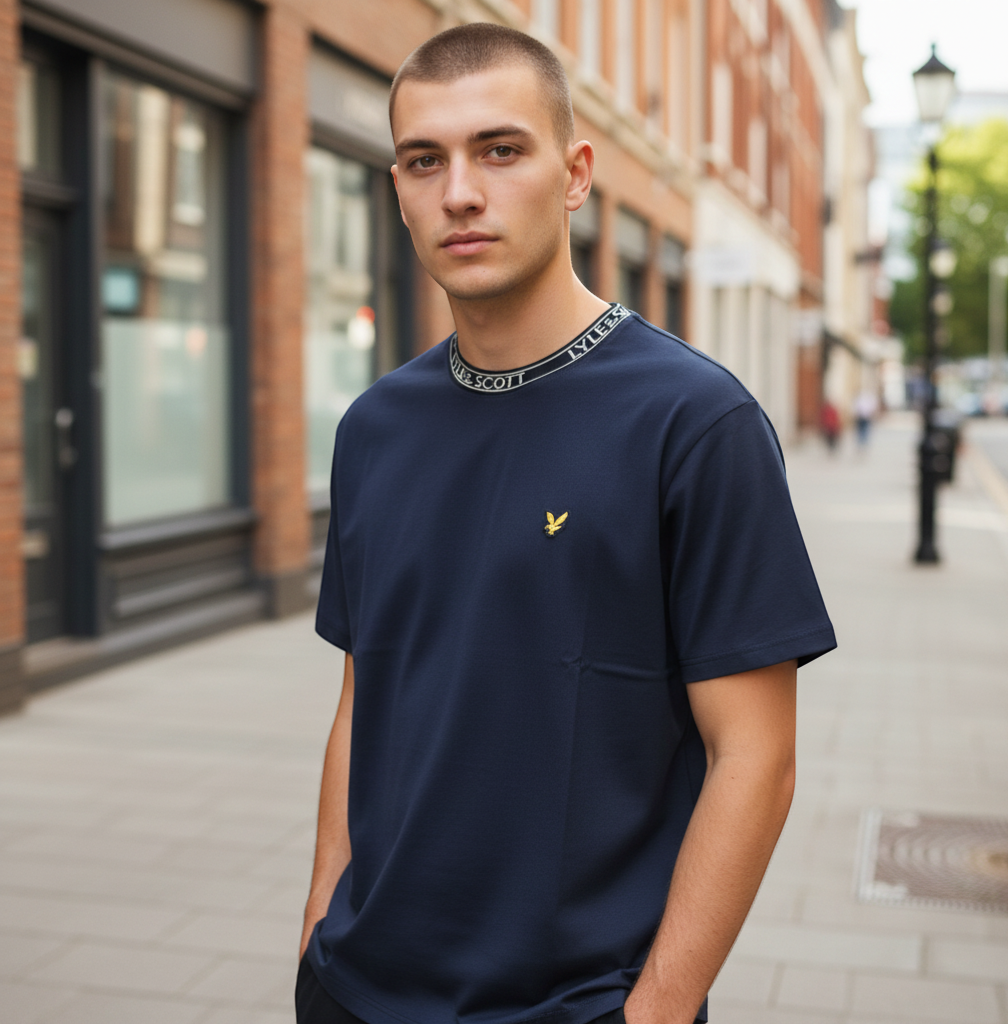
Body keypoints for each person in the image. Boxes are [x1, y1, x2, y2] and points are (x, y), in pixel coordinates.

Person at [299, 23, 836, 1024]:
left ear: (576, 172)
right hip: (355, 989)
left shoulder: (695, 422)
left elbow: (755, 757)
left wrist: (660, 1008)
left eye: (499, 149)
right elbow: (362, 696)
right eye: (425, 160)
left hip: (576, 1004)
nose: (460, 190)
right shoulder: (374, 426)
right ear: (400, 189)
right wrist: (318, 926)